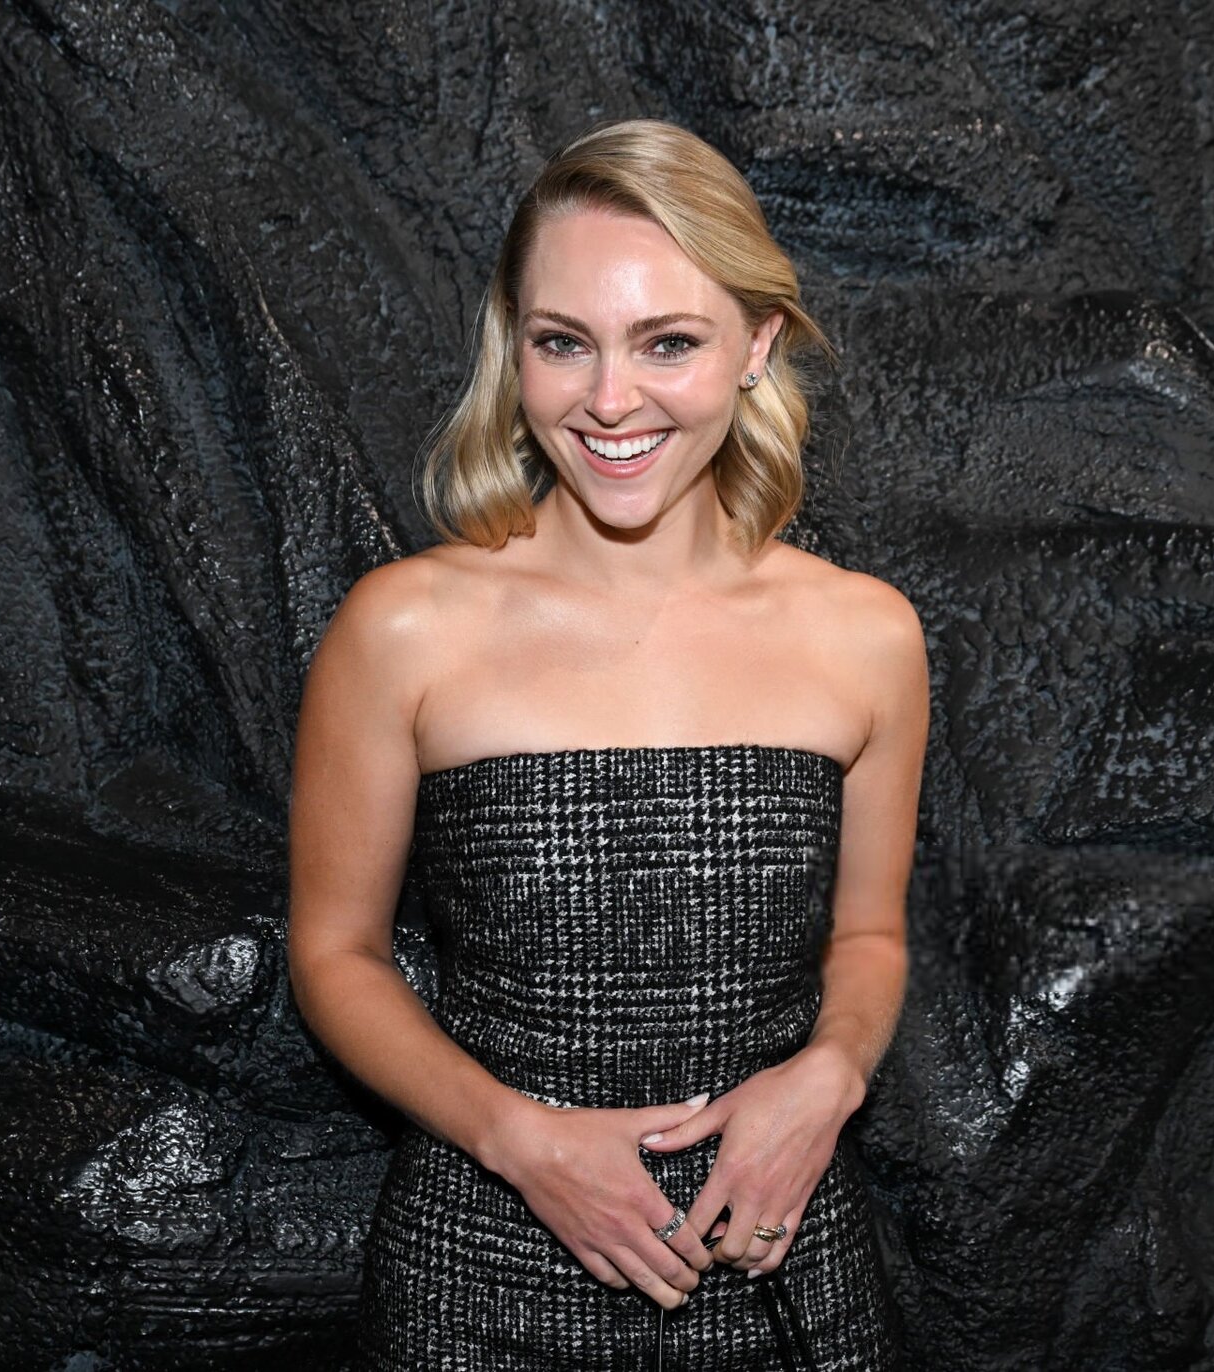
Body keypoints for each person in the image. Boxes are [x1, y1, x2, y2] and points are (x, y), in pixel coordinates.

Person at [286, 116, 928, 1370]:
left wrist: (834, 1071)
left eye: (668, 342)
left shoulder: (866, 635)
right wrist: (520, 1139)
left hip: (785, 1263)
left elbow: (870, 936)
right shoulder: (404, 627)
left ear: (758, 345)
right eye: (563, 342)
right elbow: (335, 953)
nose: (611, 399)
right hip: (479, 1278)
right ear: (512, 349)